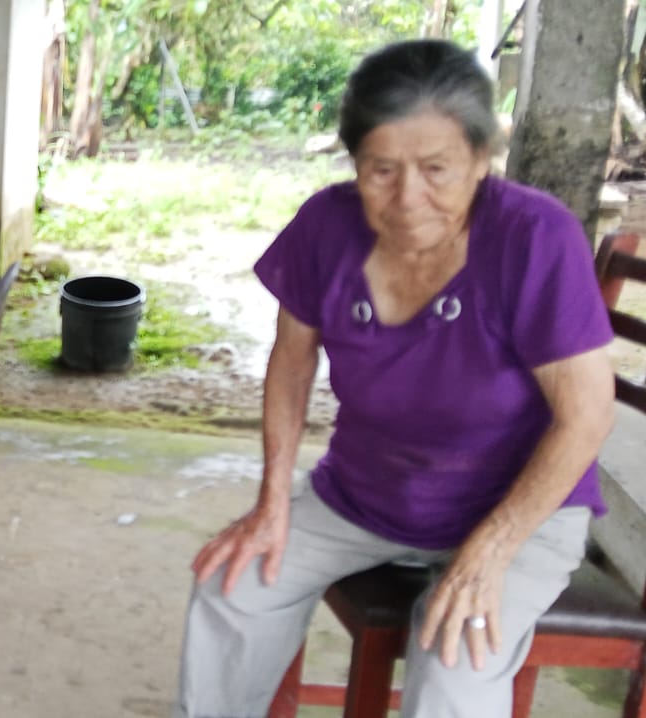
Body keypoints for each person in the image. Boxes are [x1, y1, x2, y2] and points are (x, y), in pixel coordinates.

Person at [174, 40, 615, 717]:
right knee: (234, 586)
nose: (409, 198)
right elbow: (291, 364)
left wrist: (488, 553)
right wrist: (273, 501)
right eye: (381, 170)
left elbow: (586, 415)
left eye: (436, 169)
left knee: (455, 658)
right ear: (355, 161)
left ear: (480, 159)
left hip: (518, 511)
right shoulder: (326, 225)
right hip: (366, 496)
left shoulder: (534, 236)